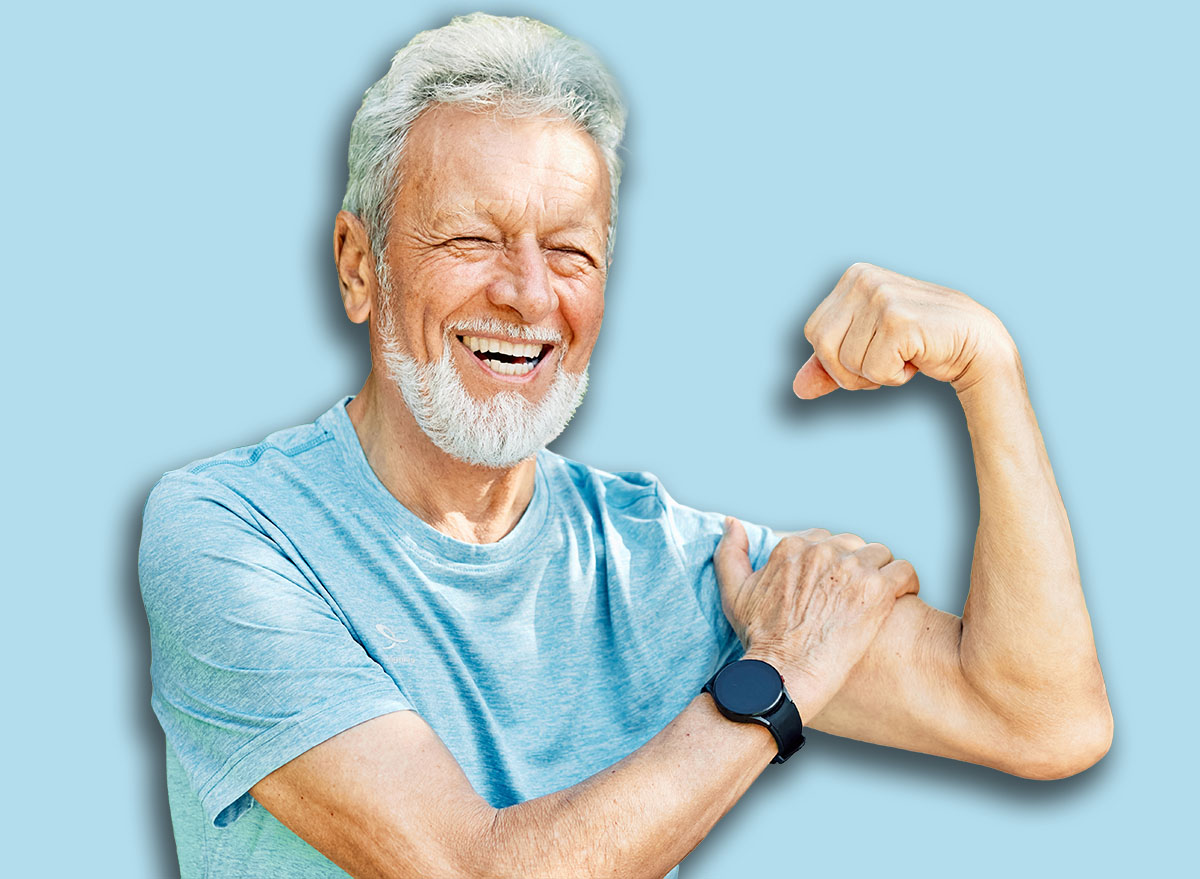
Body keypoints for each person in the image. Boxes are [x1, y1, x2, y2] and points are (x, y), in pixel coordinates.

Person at [138, 12, 1112, 879]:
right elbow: (472, 873)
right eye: (473, 240)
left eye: (571, 251)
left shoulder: (661, 563)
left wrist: (991, 374)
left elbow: (1042, 717)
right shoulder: (229, 533)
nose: (527, 295)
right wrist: (774, 680)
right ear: (360, 266)